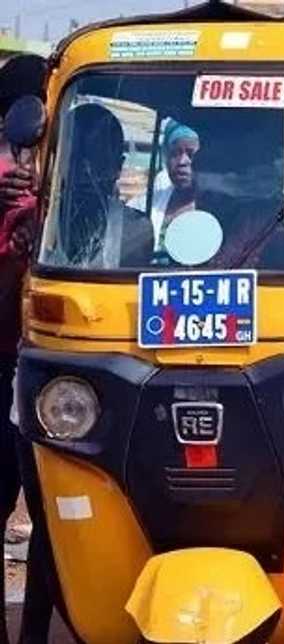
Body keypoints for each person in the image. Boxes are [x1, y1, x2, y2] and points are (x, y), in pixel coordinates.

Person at [0, 53, 56, 644]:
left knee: (52, 512)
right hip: (11, 365)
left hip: (49, 368)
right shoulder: (13, 189)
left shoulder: (64, 189)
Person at [46, 103, 153, 269]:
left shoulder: (135, 230)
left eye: (98, 161)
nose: (86, 172)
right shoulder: (40, 221)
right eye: (76, 160)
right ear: (59, 162)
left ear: (118, 166)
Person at [127, 118, 200, 263]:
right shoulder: (147, 204)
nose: (182, 162)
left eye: (190, 154)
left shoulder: (221, 207)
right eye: (175, 154)